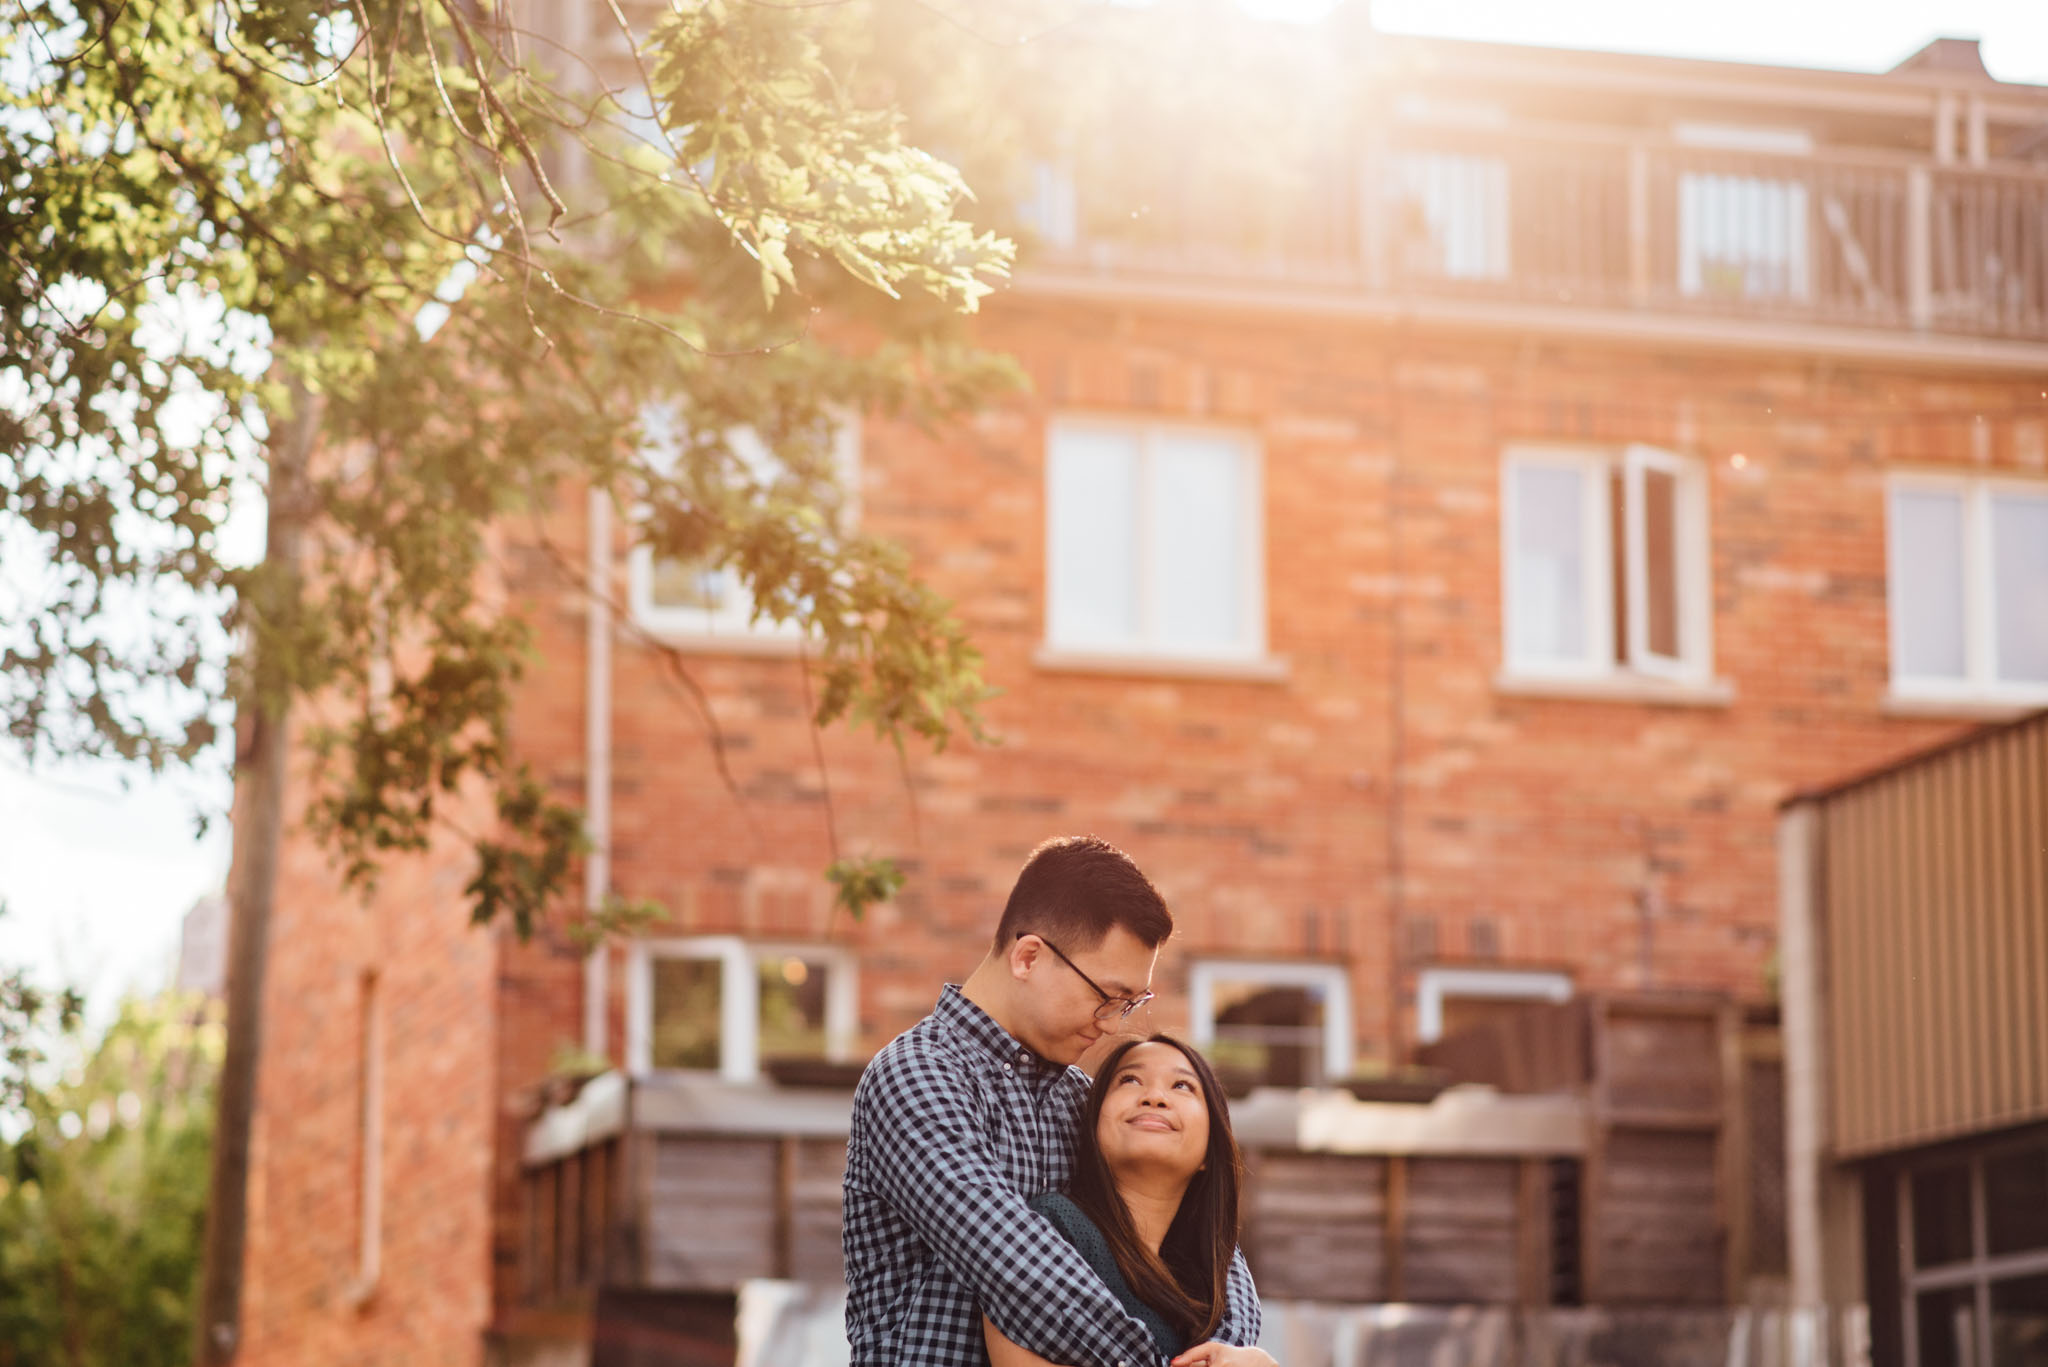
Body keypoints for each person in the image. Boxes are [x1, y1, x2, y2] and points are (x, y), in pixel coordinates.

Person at [843, 836, 1266, 1367]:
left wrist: (1228, 1351)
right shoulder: (917, 1076)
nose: (1114, 1025)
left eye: (1132, 1004)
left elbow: (1198, 1234)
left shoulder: (1080, 1098)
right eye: (1106, 997)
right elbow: (1019, 1271)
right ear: (1028, 957)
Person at [984, 1035, 1270, 1367]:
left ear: (1210, 1149)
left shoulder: (1211, 1285)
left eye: (1182, 1086)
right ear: (1093, 1127)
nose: (1154, 1097)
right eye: (1130, 1080)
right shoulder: (1053, 1229)